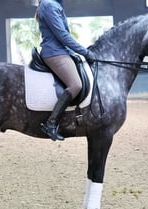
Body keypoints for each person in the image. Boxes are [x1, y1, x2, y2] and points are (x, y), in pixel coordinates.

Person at [35, 0, 96, 141]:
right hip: (54, 53)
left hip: (62, 51)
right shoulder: (49, 5)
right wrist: (85, 52)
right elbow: (62, 35)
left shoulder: (54, 5)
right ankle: (50, 123)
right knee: (76, 85)